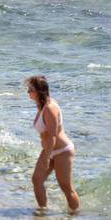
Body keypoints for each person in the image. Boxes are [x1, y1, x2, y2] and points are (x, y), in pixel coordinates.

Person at [26, 75, 80, 213]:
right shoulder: (41, 105)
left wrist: (46, 158)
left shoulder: (50, 108)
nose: (28, 92)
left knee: (66, 187)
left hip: (62, 151)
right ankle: (42, 212)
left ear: (39, 91)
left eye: (30, 89)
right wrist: (47, 154)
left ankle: (75, 214)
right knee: (37, 180)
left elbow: (52, 136)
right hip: (49, 150)